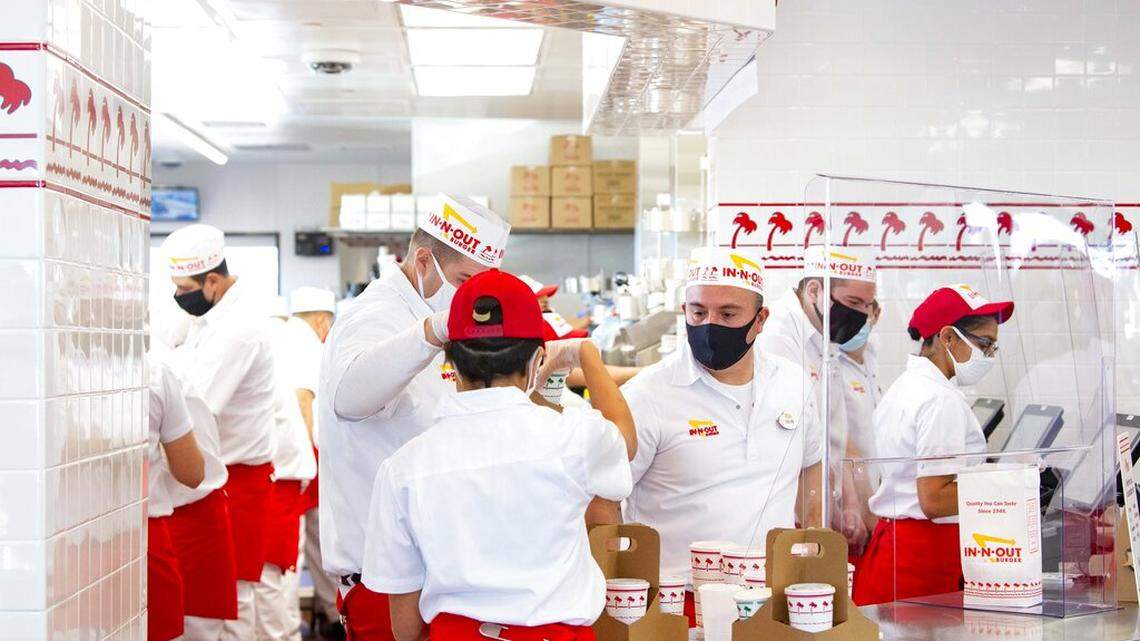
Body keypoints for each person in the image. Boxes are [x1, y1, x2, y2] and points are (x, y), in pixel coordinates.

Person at [361, 269, 636, 641]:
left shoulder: (403, 467)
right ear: (537, 359)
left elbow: (406, 627)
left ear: (448, 359)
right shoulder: (572, 437)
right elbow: (625, 439)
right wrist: (585, 354)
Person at [319, 195, 511, 641]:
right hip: (384, 581)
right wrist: (429, 333)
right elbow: (348, 397)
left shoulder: (422, 311)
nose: (469, 296)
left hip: (431, 567)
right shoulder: (376, 314)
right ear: (423, 260)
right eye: (463, 280)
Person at [618, 246, 822, 625]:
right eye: (698, 312)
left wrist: (809, 551)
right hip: (678, 605)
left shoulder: (794, 384)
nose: (709, 324)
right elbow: (606, 499)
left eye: (728, 314)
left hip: (773, 599)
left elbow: (812, 467)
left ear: (761, 320)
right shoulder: (647, 396)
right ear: (684, 312)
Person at [853, 284, 1013, 606]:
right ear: (947, 338)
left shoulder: (906, 387)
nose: (990, 356)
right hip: (922, 559)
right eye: (986, 344)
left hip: (894, 549)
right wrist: (1009, 489)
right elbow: (934, 498)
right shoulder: (940, 399)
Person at [161, 224, 279, 641]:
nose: (179, 298)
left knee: (234, 597)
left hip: (238, 480)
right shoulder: (205, 317)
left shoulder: (238, 329)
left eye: (184, 288)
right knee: (214, 599)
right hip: (215, 477)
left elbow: (195, 406)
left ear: (213, 280)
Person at [757, 246, 879, 551]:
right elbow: (789, 441)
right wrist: (818, 517)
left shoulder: (825, 333)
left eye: (867, 305)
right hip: (785, 511)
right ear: (814, 291)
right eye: (853, 302)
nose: (861, 315)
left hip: (818, 505)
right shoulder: (778, 336)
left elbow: (835, 430)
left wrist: (850, 501)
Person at [153, 338, 238, 641]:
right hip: (156, 521)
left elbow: (194, 472)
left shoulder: (161, 371)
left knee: (196, 628)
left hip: (192, 513)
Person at [255, 295, 322, 641]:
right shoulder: (293, 338)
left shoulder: (291, 338)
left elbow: (303, 400)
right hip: (285, 470)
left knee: (276, 571)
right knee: (282, 567)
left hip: (281, 473)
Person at [286, 287, 341, 636]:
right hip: (306, 460)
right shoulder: (306, 344)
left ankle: (326, 614)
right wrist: (309, 461)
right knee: (317, 542)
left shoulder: (283, 337)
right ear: (322, 321)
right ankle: (332, 618)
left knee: (308, 544)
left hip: (293, 460)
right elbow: (303, 400)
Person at [147, 353, 206, 641]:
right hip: (145, 541)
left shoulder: (49, 366)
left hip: (71, 545)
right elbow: (192, 472)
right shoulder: (153, 370)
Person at [837, 299, 884, 532]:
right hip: (849, 503)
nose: (851, 323)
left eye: (859, 314)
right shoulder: (830, 363)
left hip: (875, 492)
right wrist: (861, 508)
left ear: (875, 314)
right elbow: (846, 447)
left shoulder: (871, 354)